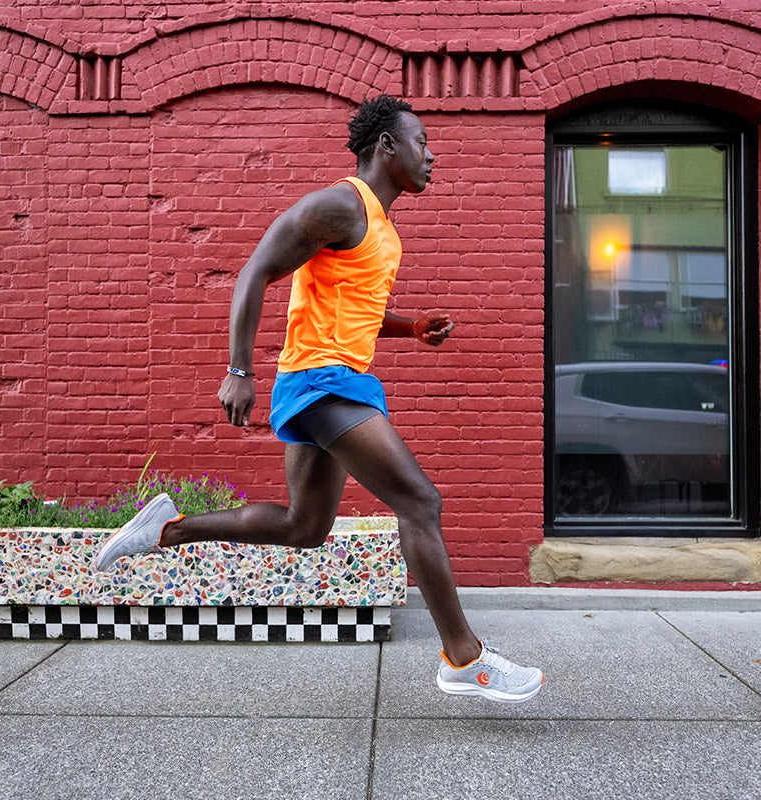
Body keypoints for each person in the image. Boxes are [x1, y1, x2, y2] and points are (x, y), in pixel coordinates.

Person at [95, 95, 543, 704]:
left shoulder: (382, 228)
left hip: (333, 381)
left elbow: (355, 310)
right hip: (319, 382)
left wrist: (409, 327)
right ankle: (463, 658)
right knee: (420, 501)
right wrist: (237, 368)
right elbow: (256, 270)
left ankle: (166, 530)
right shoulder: (339, 205)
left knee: (305, 526)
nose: (432, 156)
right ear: (386, 145)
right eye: (422, 141)